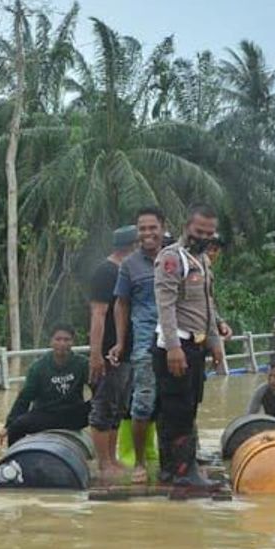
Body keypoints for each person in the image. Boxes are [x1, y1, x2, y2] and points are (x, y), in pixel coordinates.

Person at [153, 202, 227, 486]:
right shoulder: (172, 259)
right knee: (177, 411)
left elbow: (207, 305)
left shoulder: (203, 261)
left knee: (187, 407)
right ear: (187, 227)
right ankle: (184, 472)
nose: (204, 237)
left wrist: (215, 343)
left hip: (196, 347)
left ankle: (173, 469)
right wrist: (173, 347)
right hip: (176, 346)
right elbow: (166, 305)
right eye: (199, 231)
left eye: (209, 233)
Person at [108, 207, 166, 484]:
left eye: (152, 227)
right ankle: (141, 462)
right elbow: (121, 304)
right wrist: (120, 342)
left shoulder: (175, 258)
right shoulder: (129, 265)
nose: (147, 233)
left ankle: (178, 459)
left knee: (180, 402)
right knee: (142, 404)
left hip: (178, 340)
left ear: (163, 228)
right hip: (144, 343)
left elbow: (195, 298)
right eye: (142, 229)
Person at [86, 225, 138, 479]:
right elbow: (98, 314)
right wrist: (96, 354)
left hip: (126, 353)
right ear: (132, 247)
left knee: (117, 408)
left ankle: (113, 459)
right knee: (103, 408)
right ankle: (103, 464)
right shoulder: (106, 272)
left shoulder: (124, 271)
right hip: (108, 352)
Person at [0, 324, 90, 448]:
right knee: (16, 427)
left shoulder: (82, 364)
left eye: (66, 340)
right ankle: (15, 460)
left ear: (73, 342)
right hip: (46, 415)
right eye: (58, 339)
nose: (62, 343)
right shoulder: (38, 367)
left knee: (104, 408)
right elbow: (24, 398)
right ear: (51, 342)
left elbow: (99, 390)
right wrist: (8, 425)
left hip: (73, 415)